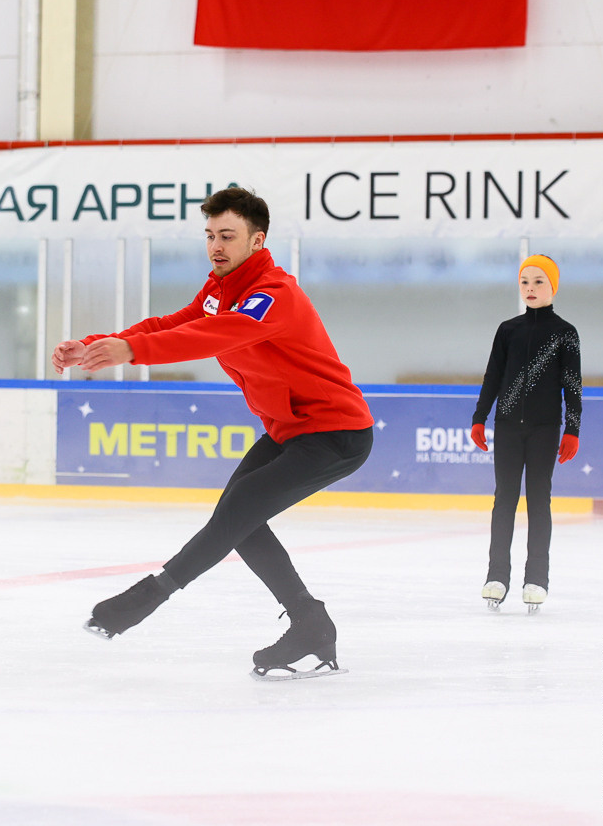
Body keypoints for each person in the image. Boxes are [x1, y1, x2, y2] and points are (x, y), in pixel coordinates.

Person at [52, 187, 374, 677]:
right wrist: (100, 345)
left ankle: (147, 597)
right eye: (209, 235)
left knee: (237, 512)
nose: (216, 246)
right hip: (291, 429)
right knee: (238, 519)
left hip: (336, 432)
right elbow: (174, 323)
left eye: (228, 235)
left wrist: (131, 354)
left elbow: (213, 335)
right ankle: (311, 623)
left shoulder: (273, 295)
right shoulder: (220, 290)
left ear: (257, 240)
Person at [469, 254, 581, 611]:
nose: (530, 288)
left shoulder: (565, 333)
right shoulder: (508, 330)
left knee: (538, 501)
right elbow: (493, 376)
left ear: (552, 286)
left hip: (545, 430)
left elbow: (573, 386)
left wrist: (572, 429)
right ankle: (497, 576)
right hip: (506, 428)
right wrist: (479, 417)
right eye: (524, 282)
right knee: (504, 500)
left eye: (538, 282)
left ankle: (536, 578)